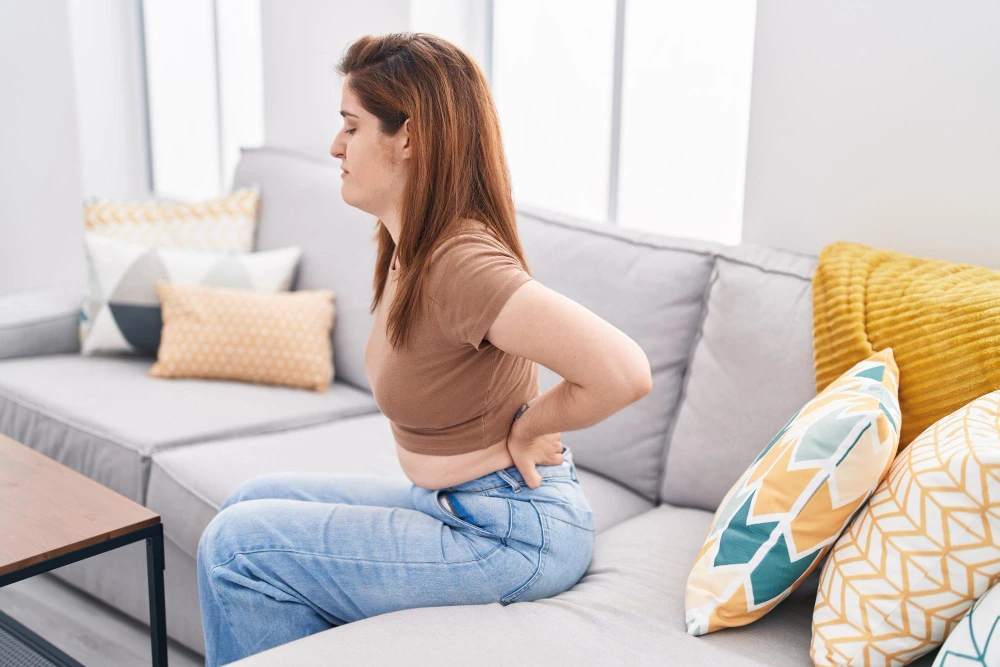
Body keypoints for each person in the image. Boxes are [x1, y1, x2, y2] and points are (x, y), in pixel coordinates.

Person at [197, 32, 653, 666]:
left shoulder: (459, 264)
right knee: (249, 500)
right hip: (454, 507)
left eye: (351, 127)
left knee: (238, 547)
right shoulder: (406, 246)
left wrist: (530, 426)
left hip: (510, 534)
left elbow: (623, 372)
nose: (335, 146)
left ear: (408, 137)